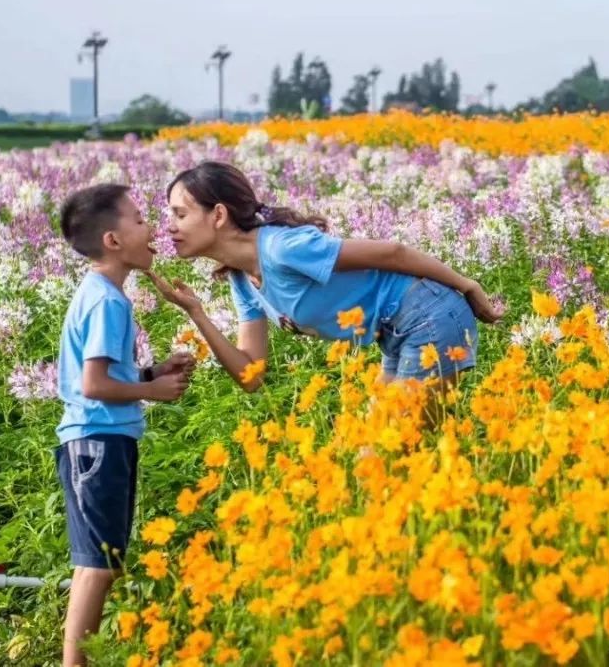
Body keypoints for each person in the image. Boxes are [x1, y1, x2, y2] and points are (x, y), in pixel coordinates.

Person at [148, 161, 501, 412]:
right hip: (396, 334)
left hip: (429, 317)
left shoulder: (282, 248)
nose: (170, 228)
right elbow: (250, 376)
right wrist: (196, 312)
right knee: (379, 453)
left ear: (219, 215)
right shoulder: (242, 280)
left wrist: (467, 285)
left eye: (180, 215)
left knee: (388, 451)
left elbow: (393, 253)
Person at [54, 184, 194, 666]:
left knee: (103, 562)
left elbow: (105, 375)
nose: (152, 227)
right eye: (139, 220)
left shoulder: (104, 294)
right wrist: (151, 392)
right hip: (97, 443)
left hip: (103, 441)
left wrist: (150, 374)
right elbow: (92, 385)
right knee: (97, 567)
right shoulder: (108, 301)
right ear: (113, 240)